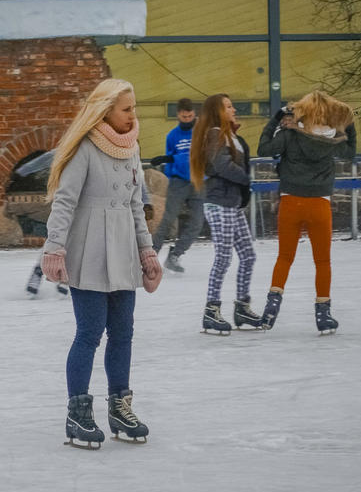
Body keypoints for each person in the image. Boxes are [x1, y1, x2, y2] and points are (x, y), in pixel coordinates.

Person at [41, 78, 162, 449]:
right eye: (126, 109)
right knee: (90, 333)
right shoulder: (84, 149)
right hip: (89, 251)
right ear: (105, 110)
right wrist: (54, 248)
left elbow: (135, 206)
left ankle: (120, 408)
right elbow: (65, 201)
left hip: (124, 251)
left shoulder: (131, 148)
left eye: (133, 108)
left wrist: (147, 251)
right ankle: (78, 412)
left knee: (123, 333)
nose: (133, 115)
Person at [256, 90, 357, 335]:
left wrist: (275, 119)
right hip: (319, 204)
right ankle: (323, 314)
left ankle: (272, 306)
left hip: (291, 202)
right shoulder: (333, 139)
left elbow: (263, 148)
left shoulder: (290, 134)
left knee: (284, 257)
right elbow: (351, 152)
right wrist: (348, 124)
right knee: (322, 261)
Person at [21, 153, 153, 297]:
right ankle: (38, 272)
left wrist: (146, 201)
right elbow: (46, 158)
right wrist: (24, 171)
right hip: (71, 205)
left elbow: (136, 179)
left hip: (91, 212)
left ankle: (66, 278)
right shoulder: (77, 149)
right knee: (55, 242)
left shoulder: (123, 153)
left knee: (78, 246)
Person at [189, 94, 262, 335]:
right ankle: (211, 310)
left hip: (232, 203)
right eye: (229, 106)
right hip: (219, 203)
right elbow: (221, 165)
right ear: (218, 111)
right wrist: (245, 179)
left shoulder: (230, 135)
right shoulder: (215, 134)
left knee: (248, 255)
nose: (234, 109)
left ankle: (242, 307)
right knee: (223, 257)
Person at [149, 98, 204, 273]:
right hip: (178, 182)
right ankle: (151, 256)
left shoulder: (201, 132)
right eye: (184, 117)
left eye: (190, 116)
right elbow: (170, 160)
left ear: (194, 114)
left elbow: (197, 155)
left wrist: (171, 158)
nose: (187, 119)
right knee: (167, 219)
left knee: (197, 222)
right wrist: (169, 177)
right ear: (178, 115)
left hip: (198, 182)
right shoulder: (172, 136)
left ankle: (175, 255)